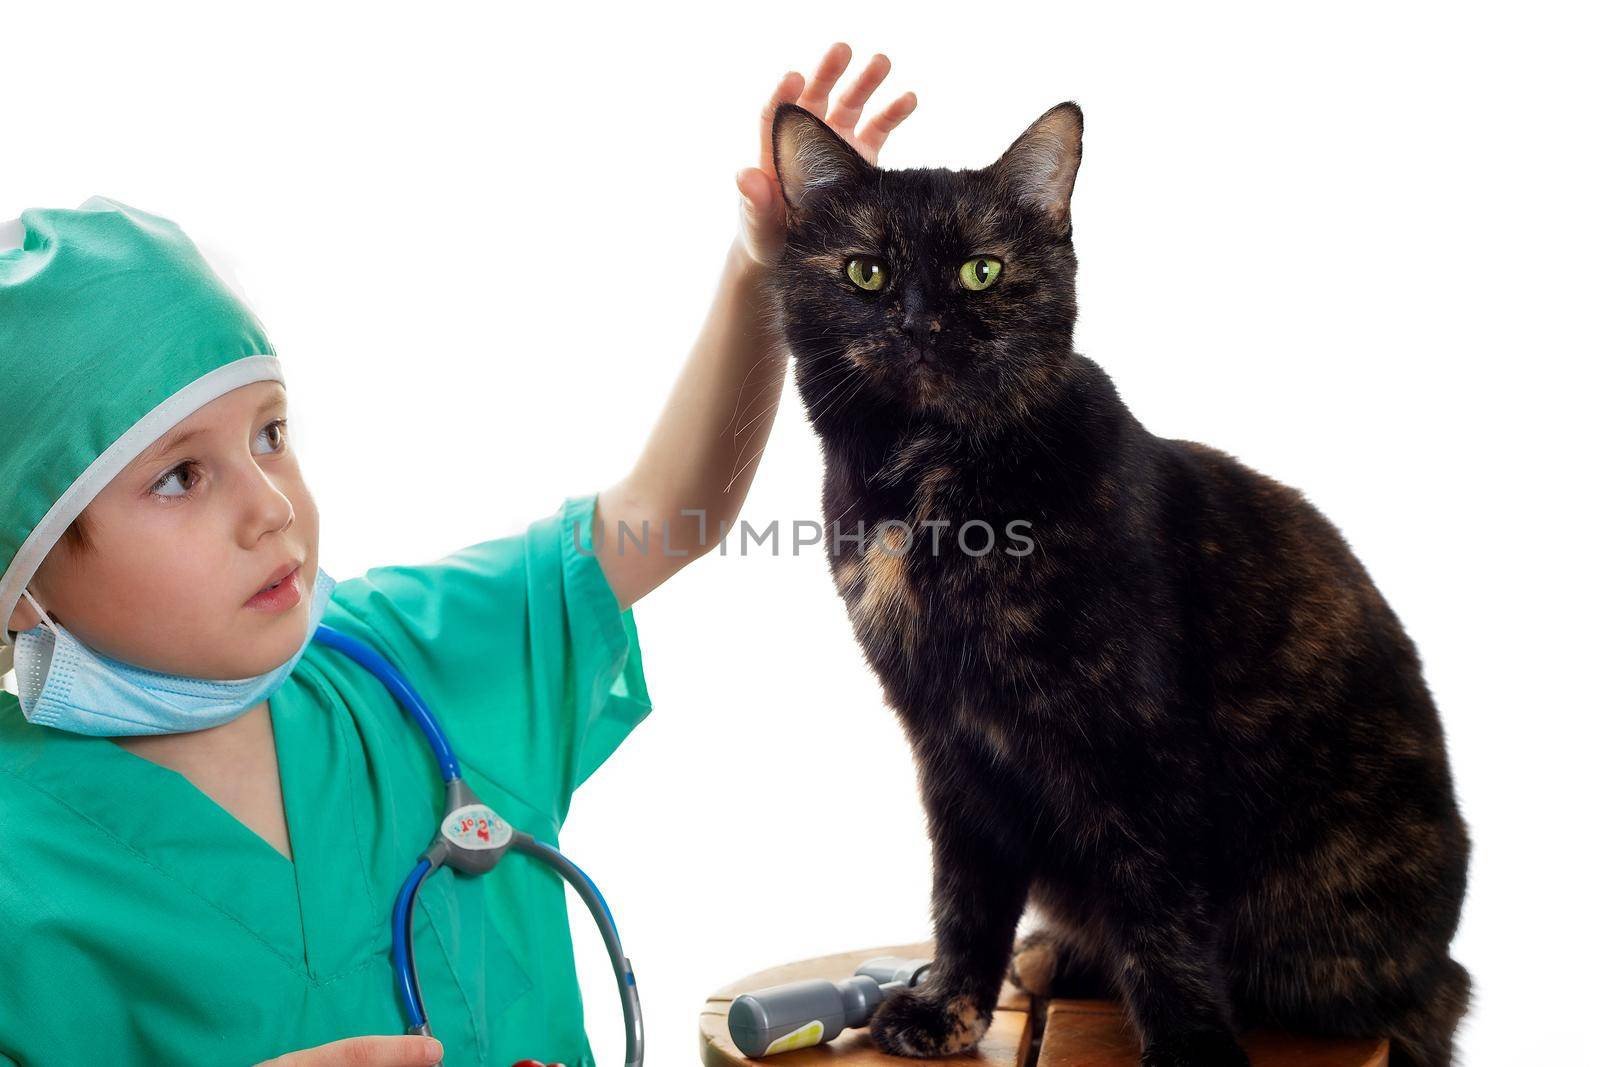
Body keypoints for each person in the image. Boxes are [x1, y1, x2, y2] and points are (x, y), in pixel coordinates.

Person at [0, 43, 916, 1067]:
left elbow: (671, 514)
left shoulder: (400, 659)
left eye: (269, 433)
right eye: (177, 475)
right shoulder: (19, 870)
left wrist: (764, 272)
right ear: (22, 580)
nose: (271, 507)